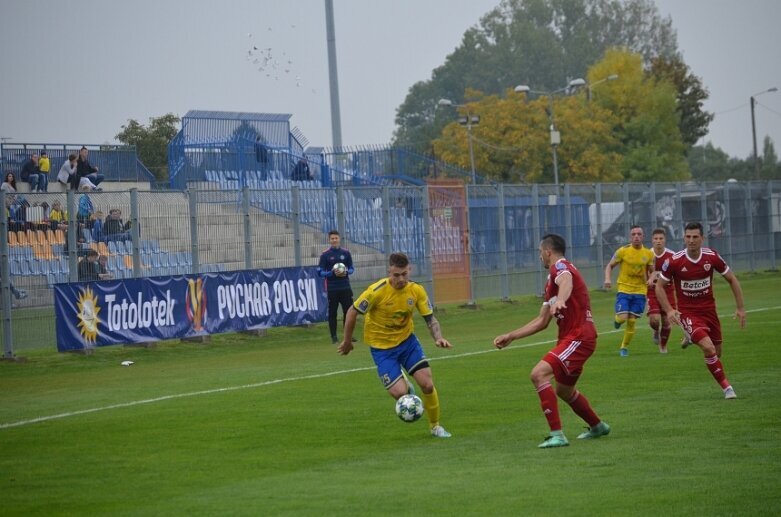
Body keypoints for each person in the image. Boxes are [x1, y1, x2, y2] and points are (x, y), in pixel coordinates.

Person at [493, 234, 610, 448]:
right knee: (564, 391)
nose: (540, 257)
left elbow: (567, 280)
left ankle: (557, 434)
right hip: (573, 337)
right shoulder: (550, 281)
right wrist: (511, 336)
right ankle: (598, 426)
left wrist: (562, 300)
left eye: (540, 252)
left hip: (579, 336)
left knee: (538, 374)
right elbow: (541, 321)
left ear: (547, 251)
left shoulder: (561, 267)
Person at [337, 252, 454, 438]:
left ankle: (435, 427)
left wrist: (438, 337)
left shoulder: (416, 290)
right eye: (396, 275)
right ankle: (405, 386)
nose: (401, 279)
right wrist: (347, 340)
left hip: (408, 343)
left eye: (404, 274)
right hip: (382, 350)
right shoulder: (376, 291)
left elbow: (430, 320)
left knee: (428, 385)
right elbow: (352, 311)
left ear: (410, 270)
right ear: (389, 271)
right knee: (400, 394)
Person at [656, 222, 745, 400]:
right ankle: (727, 388)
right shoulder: (674, 260)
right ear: (684, 238)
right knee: (708, 348)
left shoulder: (712, 257)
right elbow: (659, 286)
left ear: (702, 238)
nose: (691, 240)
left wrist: (740, 308)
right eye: (688, 237)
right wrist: (669, 310)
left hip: (710, 312)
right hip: (688, 313)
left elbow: (732, 279)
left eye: (695, 237)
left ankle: (690, 337)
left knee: (717, 353)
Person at [604, 225, 654, 356]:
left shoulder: (648, 253)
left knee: (631, 321)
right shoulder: (622, 251)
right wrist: (607, 279)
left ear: (643, 236)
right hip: (624, 288)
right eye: (633, 234)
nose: (636, 236)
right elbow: (610, 266)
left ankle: (624, 347)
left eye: (639, 234)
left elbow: (653, 271)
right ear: (630, 237)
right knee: (622, 318)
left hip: (640, 291)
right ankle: (617, 320)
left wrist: (651, 279)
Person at [318, 230, 355, 344]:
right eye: (332, 238)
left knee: (348, 312)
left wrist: (347, 272)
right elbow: (320, 271)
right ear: (329, 240)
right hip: (332, 288)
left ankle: (348, 336)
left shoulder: (346, 253)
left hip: (345, 287)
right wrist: (331, 273)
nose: (334, 240)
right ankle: (334, 337)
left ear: (339, 239)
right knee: (333, 312)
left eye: (336, 238)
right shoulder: (325, 254)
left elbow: (352, 268)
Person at [646, 228, 676, 353]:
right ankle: (655, 331)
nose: (658, 241)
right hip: (652, 291)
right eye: (656, 239)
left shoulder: (672, 256)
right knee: (654, 320)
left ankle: (663, 346)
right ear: (652, 240)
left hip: (667, 290)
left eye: (661, 238)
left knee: (666, 321)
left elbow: (675, 274)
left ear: (665, 240)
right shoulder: (647, 254)